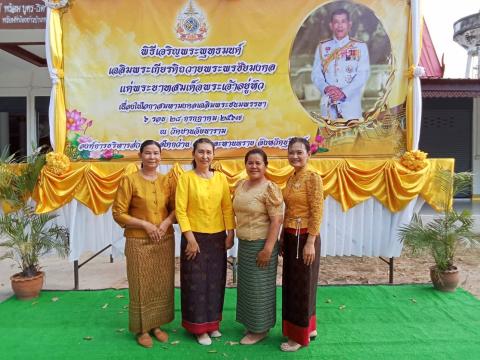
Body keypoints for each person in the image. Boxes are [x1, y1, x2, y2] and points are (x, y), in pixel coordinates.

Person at [112, 140, 176, 348]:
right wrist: (145, 225)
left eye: (156, 153)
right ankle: (142, 329)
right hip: (138, 240)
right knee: (141, 283)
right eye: (148, 153)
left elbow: (177, 208)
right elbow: (118, 213)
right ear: (140, 155)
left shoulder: (167, 180)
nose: (152, 157)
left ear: (161, 156)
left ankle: (156, 325)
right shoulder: (129, 180)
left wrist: (166, 223)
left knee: (161, 283)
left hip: (164, 240)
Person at [175, 137, 235, 346]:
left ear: (213, 154)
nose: (205, 156)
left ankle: (213, 324)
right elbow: (181, 211)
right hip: (195, 238)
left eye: (208, 152)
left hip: (217, 238)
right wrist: (190, 239)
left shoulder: (221, 179)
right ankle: (199, 328)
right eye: (201, 152)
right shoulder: (186, 178)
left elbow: (227, 208)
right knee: (196, 284)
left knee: (216, 281)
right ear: (193, 154)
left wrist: (230, 232)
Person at [233, 148, 283, 345]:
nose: (253, 166)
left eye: (258, 163)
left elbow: (276, 221)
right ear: (245, 165)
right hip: (245, 244)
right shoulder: (241, 185)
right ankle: (252, 323)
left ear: (265, 166)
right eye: (250, 163)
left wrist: (268, 249)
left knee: (259, 288)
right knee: (248, 288)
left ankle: (260, 330)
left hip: (262, 245)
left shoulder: (270, 188)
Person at [281, 137, 324, 352]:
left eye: (299, 152)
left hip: (305, 237)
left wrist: (310, 242)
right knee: (295, 284)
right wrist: (282, 237)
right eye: (291, 152)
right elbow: (287, 211)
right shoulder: (292, 177)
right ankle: (310, 327)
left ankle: (298, 337)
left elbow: (317, 210)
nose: (295, 156)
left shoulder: (312, 177)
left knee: (302, 286)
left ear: (308, 154)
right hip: (290, 235)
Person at [311, 8, 370, 124]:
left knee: (351, 141)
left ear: (349, 24)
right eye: (336, 22)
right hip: (328, 105)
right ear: (331, 25)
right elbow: (316, 74)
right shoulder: (323, 47)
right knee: (328, 141)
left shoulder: (359, 47)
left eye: (343, 21)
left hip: (350, 106)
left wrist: (343, 93)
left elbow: (362, 75)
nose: (340, 25)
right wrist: (326, 88)